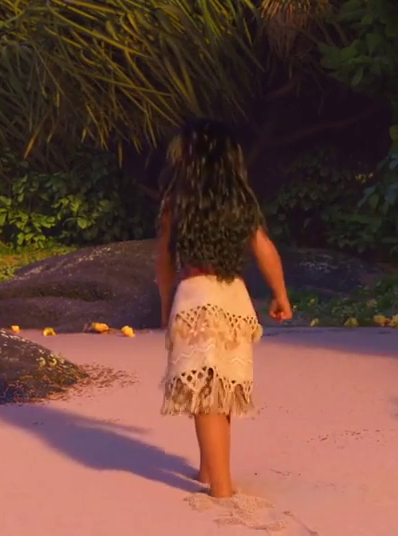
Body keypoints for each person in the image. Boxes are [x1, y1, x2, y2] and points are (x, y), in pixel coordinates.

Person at [154, 118, 292, 499]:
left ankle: (221, 487)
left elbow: (164, 262)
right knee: (221, 388)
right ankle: (207, 468)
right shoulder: (240, 202)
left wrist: (165, 304)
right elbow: (264, 249)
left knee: (204, 396)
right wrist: (280, 294)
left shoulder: (177, 202)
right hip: (234, 299)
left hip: (195, 297)